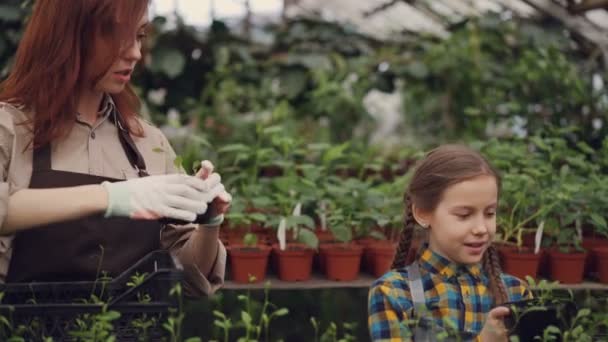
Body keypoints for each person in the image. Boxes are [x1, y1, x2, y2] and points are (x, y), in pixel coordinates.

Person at [0, 0, 230, 297]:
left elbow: (188, 279)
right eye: (114, 33)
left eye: (139, 36)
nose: (134, 52)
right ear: (68, 33)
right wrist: (112, 196)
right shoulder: (10, 128)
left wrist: (209, 219)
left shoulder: (148, 141)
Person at [368, 145, 532, 341]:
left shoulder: (516, 292)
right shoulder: (394, 293)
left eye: (490, 213)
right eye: (464, 215)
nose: (481, 228)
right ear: (422, 213)